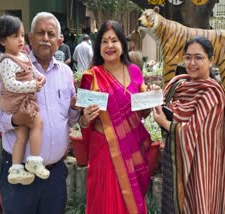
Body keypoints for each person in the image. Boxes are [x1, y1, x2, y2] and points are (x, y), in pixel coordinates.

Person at [0, 12, 80, 213]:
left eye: (51, 34)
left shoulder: (66, 73)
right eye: (40, 33)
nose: (45, 38)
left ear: (59, 40)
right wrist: (15, 120)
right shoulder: (13, 67)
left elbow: (69, 121)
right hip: (19, 177)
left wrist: (75, 109)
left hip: (53, 175)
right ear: (30, 37)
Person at [78, 20, 152, 214]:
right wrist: (85, 119)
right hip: (105, 152)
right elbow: (83, 120)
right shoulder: (92, 77)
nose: (110, 46)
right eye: (104, 41)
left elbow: (143, 112)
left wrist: (152, 99)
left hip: (133, 149)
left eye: (114, 40)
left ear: (123, 45)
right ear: (98, 46)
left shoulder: (135, 72)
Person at [153, 36, 225, 213]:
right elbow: (163, 108)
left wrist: (166, 123)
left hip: (201, 169)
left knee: (198, 204)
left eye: (198, 57)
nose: (192, 63)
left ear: (211, 61)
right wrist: (155, 97)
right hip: (175, 165)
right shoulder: (177, 84)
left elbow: (194, 131)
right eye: (188, 57)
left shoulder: (212, 93)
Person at [0, 15, 50, 185]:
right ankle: (33, 160)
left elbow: (32, 70)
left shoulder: (24, 55)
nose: (20, 39)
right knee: (37, 123)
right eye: (15, 36)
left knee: (22, 134)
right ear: (3, 41)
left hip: (24, 100)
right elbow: (10, 85)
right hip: (15, 103)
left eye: (22, 35)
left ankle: (17, 168)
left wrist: (40, 78)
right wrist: (33, 86)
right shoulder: (6, 62)